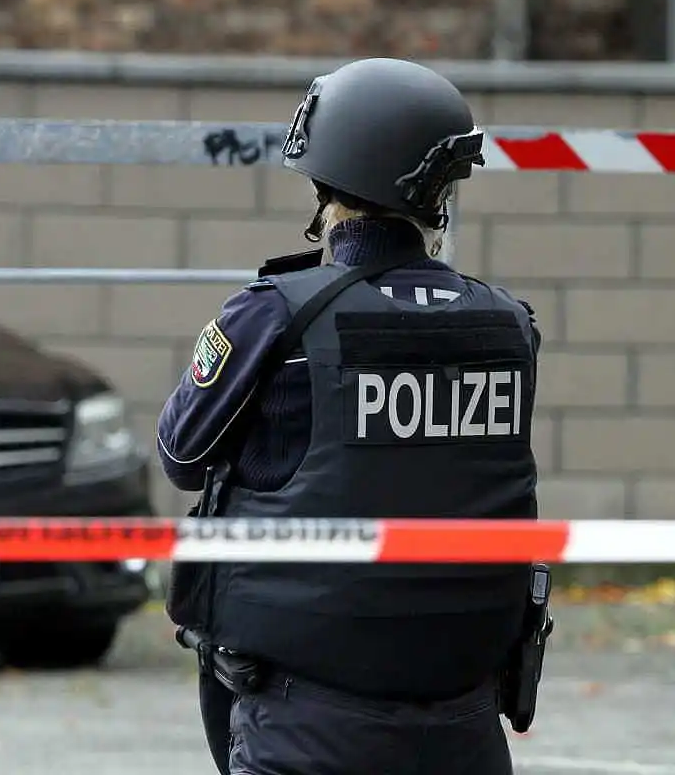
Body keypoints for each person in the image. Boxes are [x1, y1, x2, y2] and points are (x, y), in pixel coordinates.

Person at [157, 57, 544, 775]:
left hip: (305, 723)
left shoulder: (278, 313)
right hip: (466, 717)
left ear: (326, 185)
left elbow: (181, 456)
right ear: (437, 193)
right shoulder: (508, 325)